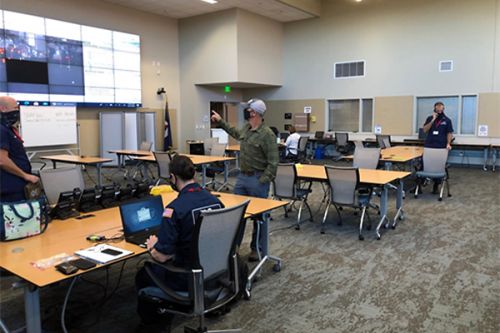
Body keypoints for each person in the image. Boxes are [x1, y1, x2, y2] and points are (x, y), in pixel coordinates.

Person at [135, 155, 223, 332]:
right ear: (194, 175)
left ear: (173, 178)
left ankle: (156, 324)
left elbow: (162, 256)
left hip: (187, 278)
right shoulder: (215, 201)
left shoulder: (174, 209)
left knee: (143, 274)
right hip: (216, 272)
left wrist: (152, 246)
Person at [211, 98, 278, 261]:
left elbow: (274, 162)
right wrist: (221, 122)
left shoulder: (267, 134)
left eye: (248, 109)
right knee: (236, 214)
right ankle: (233, 248)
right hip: (242, 178)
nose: (246, 111)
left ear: (254, 112)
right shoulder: (247, 129)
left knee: (259, 218)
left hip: (257, 179)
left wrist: (263, 180)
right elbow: (234, 132)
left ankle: (257, 249)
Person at [0, 96, 39, 202]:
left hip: (16, 184)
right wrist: (25, 175)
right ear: (3, 108)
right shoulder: (2, 130)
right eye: (15, 108)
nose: (17, 112)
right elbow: (2, 160)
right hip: (10, 187)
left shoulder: (8, 128)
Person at [421, 101, 453, 193]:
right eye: (437, 108)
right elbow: (425, 130)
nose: (439, 110)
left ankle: (436, 185)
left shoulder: (447, 120)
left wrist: (448, 143)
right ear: (434, 109)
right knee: (424, 163)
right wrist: (432, 120)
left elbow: (449, 133)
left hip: (441, 147)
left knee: (438, 166)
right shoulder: (430, 118)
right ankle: (422, 181)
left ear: (443, 109)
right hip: (429, 146)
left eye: (441, 108)